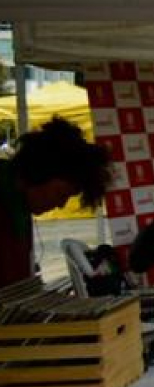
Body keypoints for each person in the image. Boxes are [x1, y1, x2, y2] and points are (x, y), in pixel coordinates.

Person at [0, 117, 112, 286]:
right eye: (61, 193)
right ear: (39, 172)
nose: (61, 205)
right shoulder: (6, 202)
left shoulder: (21, 206)